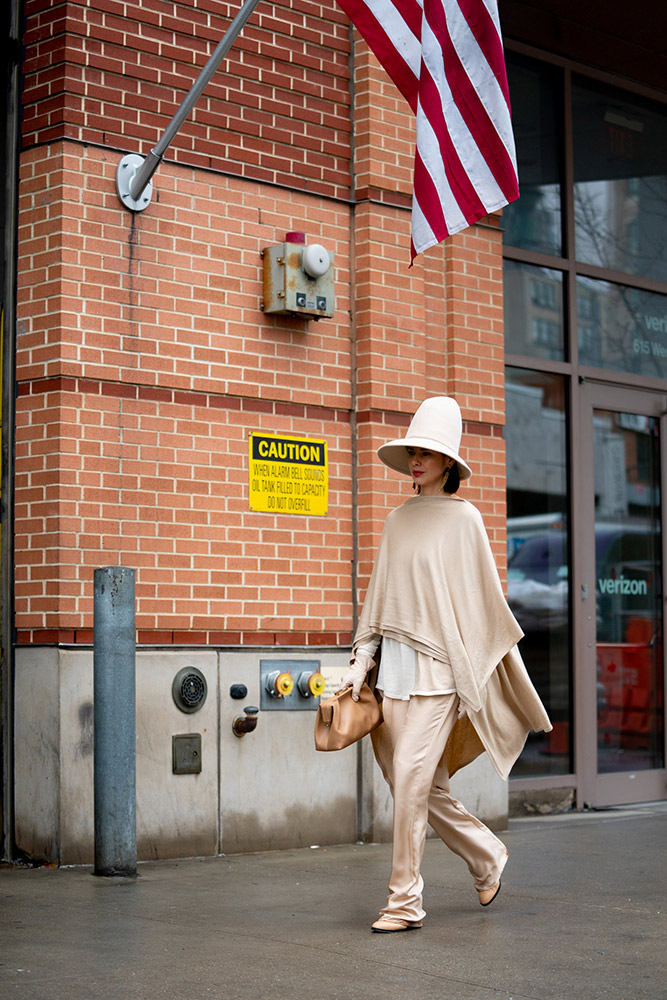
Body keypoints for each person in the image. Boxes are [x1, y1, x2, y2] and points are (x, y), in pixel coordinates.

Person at [342, 396, 551, 934]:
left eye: (428, 453)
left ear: (448, 463)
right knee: (415, 786)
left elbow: (482, 604)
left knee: (411, 787)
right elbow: (379, 604)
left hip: (438, 676)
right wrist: (359, 663)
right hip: (393, 677)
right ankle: (486, 857)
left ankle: (404, 902)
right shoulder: (395, 520)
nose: (417, 461)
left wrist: (474, 673)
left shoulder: (466, 520)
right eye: (413, 451)